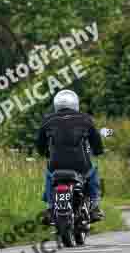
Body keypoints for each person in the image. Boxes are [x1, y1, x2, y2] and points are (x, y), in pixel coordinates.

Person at [36, 90, 105, 225]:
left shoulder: (48, 120)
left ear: (56, 104)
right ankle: (95, 206)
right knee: (93, 171)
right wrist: (98, 151)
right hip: (80, 164)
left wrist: (45, 153)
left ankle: (50, 208)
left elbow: (40, 144)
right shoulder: (85, 119)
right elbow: (96, 142)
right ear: (75, 103)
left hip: (56, 164)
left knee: (49, 176)